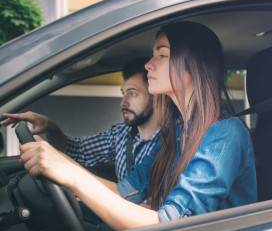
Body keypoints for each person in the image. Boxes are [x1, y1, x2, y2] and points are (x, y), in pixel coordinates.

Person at [17, 21, 257, 231]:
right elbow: (125, 191)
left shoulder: (225, 133)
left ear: (194, 65)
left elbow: (171, 228)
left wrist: (73, 176)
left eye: (161, 55)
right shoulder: (176, 132)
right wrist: (56, 160)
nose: (148, 65)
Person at [0, 57, 161, 183]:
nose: (123, 102)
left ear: (156, 95)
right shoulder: (122, 134)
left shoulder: (171, 142)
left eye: (132, 93)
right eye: (123, 93)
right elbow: (79, 151)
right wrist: (50, 126)